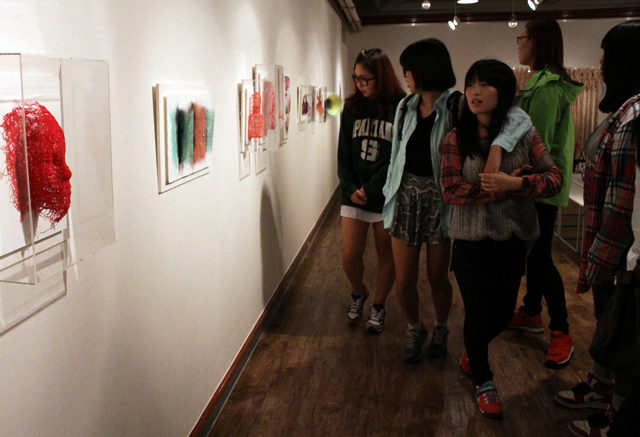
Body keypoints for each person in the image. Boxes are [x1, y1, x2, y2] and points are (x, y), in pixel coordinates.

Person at [382, 39, 531, 362]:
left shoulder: (458, 105)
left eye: (408, 69)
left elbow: (518, 118)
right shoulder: (405, 106)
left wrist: (497, 148)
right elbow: (395, 156)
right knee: (404, 280)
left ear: (424, 69)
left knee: (438, 277)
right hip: (405, 198)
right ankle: (413, 327)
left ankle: (440, 327)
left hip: (443, 201)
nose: (405, 75)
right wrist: (388, 195)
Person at [441, 59, 563, 419]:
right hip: (469, 239)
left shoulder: (524, 134)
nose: (475, 92)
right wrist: (499, 191)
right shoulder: (456, 137)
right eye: (471, 84)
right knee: (478, 310)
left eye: (485, 84)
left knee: (502, 312)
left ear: (504, 91)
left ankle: (473, 348)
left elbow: (554, 178)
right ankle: (484, 379)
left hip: (512, 238)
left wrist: (518, 183)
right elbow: (451, 190)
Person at [553, 20, 640, 437]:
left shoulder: (634, 117)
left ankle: (615, 414)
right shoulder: (624, 111)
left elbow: (624, 201)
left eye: (606, 56)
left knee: (623, 332)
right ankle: (603, 389)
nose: (600, 64)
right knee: (610, 323)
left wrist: (600, 259)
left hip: (622, 250)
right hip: (612, 245)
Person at [505, 19, 585, 369]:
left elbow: (536, 143)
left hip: (541, 185)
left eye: (521, 38)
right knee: (535, 254)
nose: (518, 44)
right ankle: (531, 311)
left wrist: (513, 178)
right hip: (537, 184)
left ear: (537, 42)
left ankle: (561, 330)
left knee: (539, 258)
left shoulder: (548, 87)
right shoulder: (540, 81)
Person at [338, 48, 406, 332]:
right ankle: (359, 292)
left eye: (365, 78)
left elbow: (397, 156)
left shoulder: (400, 107)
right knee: (350, 255)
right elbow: (343, 152)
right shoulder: (352, 106)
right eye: (356, 78)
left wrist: (373, 186)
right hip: (354, 192)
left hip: (385, 193)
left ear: (382, 76)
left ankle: (379, 304)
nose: (360, 84)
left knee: (385, 253)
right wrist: (350, 186)